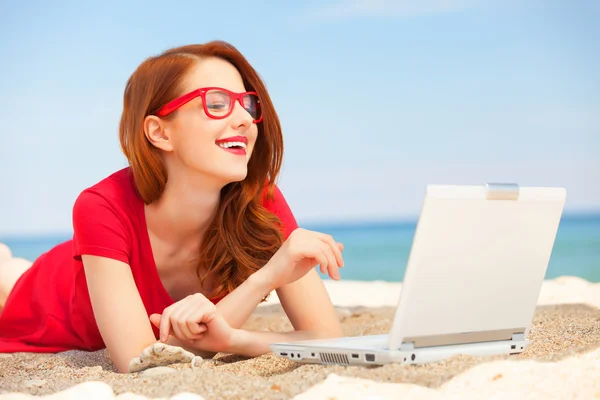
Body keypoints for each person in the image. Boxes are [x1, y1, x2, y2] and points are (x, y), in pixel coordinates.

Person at [0, 41, 345, 373]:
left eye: (247, 103)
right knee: (9, 281)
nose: (244, 118)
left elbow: (327, 338)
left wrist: (235, 338)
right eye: (217, 102)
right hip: (47, 297)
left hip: (91, 263)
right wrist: (265, 277)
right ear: (160, 133)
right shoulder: (100, 206)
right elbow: (139, 359)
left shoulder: (259, 201)